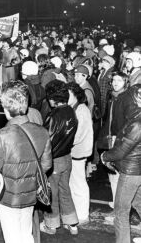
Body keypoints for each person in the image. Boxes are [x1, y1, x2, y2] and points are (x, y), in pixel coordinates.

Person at [0, 80, 52, 243]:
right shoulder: (42, 132)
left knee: (12, 237)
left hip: (8, 196)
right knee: (26, 233)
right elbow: (47, 165)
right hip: (30, 193)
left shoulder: (1, 135)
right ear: (25, 105)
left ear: (6, 109)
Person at [101, 84, 141, 243]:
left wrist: (105, 155)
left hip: (131, 171)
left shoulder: (137, 124)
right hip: (138, 170)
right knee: (138, 202)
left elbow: (121, 151)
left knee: (121, 211)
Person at [40, 80, 79, 235]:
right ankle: (72, 223)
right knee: (65, 190)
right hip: (67, 157)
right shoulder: (71, 111)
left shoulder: (54, 115)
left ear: (52, 98)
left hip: (54, 160)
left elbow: (46, 140)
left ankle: (51, 224)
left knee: (52, 192)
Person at [66, 82, 94, 224]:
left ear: (76, 95)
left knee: (79, 183)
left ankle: (83, 215)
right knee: (74, 182)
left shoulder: (81, 110)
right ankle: (78, 211)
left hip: (78, 152)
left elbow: (78, 134)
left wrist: (63, 141)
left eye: (69, 94)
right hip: (75, 151)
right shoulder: (74, 108)